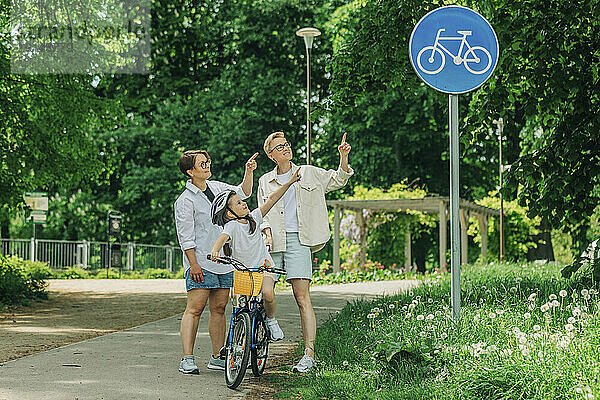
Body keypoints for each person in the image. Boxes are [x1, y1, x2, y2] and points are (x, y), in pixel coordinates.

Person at [257, 131, 353, 373]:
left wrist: (343, 157)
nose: (285, 149)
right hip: (272, 241)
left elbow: (339, 179)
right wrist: (266, 232)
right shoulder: (265, 181)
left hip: (299, 241)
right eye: (279, 147)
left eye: (286, 144)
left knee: (302, 298)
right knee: (266, 292)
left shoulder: (309, 172)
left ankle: (309, 354)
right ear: (271, 155)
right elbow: (261, 214)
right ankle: (270, 321)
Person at [174, 149, 258, 374]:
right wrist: (193, 264)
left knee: (219, 308)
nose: (207, 165)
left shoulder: (219, 188)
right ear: (190, 171)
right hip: (200, 261)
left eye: (208, 161)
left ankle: (217, 356)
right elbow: (186, 236)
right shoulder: (185, 201)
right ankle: (187, 358)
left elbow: (244, 192)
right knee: (195, 309)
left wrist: (248, 171)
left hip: (224, 262)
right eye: (202, 164)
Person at [208, 169, 301, 341]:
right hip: (243, 270)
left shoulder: (255, 218)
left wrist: (289, 183)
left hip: (263, 265)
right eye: (238, 203)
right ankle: (237, 339)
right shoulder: (232, 226)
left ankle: (271, 320)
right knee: (240, 303)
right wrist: (215, 250)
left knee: (267, 293)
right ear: (229, 213)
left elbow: (272, 199)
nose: (243, 203)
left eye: (242, 200)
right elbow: (222, 238)